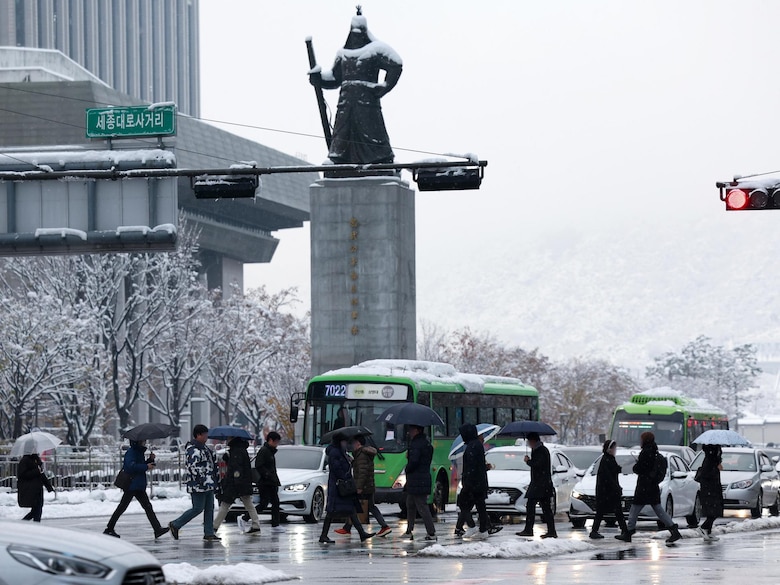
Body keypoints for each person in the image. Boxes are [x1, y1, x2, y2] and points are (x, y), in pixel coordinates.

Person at [310, 9, 402, 165]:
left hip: (366, 102)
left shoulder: (375, 50)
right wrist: (318, 78)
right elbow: (334, 78)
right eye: (354, 32)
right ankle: (339, 160)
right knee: (342, 134)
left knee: (372, 132)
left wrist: (385, 86)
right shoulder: (343, 53)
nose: (357, 35)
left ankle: (380, 160)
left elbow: (396, 64)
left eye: (360, 32)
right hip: (345, 103)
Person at [615, 431, 681, 544]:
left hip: (644, 486)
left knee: (634, 510)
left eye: (641, 439)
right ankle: (673, 530)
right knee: (659, 510)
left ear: (645, 440)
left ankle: (628, 532)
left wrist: (636, 466)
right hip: (652, 486)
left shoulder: (645, 453)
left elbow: (640, 468)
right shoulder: (655, 452)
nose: (640, 441)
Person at [103, 440, 168, 539]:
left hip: (138, 485)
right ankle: (109, 528)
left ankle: (157, 529)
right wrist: (146, 466)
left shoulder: (139, 452)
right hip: (132, 485)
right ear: (137, 442)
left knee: (147, 507)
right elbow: (131, 466)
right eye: (143, 441)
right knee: (123, 507)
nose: (145, 442)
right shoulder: (131, 452)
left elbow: (139, 465)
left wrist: (150, 460)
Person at [319, 432, 375, 544]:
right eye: (344, 441)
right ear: (340, 442)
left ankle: (361, 533)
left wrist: (349, 460)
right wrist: (345, 475)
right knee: (332, 511)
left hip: (342, 485)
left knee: (350, 509)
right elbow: (336, 468)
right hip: (339, 486)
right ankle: (323, 535)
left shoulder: (340, 452)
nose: (346, 444)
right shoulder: (335, 452)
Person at [168, 424, 220, 542]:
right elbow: (193, 467)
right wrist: (202, 479)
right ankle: (176, 524)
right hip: (198, 485)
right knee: (197, 508)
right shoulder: (193, 450)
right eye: (205, 434)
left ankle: (209, 532)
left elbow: (211, 464)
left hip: (208, 483)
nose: (207, 437)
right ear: (198, 435)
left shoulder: (204, 448)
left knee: (209, 508)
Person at [334, 434, 392, 537]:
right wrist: (352, 461)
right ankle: (347, 527)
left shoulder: (362, 455)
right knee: (368, 507)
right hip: (368, 485)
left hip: (365, 487)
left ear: (358, 443)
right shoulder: (362, 454)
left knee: (357, 506)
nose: (352, 445)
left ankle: (384, 526)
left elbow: (362, 472)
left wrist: (359, 487)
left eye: (354, 443)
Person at [212, 435, 262, 535]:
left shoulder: (236, 451)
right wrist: (228, 459)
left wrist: (235, 483)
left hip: (235, 484)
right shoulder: (239, 450)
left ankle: (214, 527)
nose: (227, 440)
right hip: (242, 483)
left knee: (225, 505)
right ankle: (256, 525)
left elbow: (237, 469)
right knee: (248, 504)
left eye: (228, 438)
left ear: (233, 439)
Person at [515, 432, 557, 538]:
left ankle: (535, 530)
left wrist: (528, 461)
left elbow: (538, 465)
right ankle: (546, 530)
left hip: (541, 484)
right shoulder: (537, 450)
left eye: (529, 442)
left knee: (539, 507)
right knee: (543, 508)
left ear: (533, 441)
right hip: (540, 484)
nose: (529, 444)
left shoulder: (541, 450)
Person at [242, 431, 285, 532]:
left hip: (271, 481)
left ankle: (275, 524)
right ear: (270, 440)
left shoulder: (270, 451)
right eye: (276, 442)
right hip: (265, 482)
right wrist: (267, 475)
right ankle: (245, 517)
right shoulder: (264, 451)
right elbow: (259, 465)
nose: (277, 444)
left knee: (275, 503)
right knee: (264, 504)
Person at [456, 424, 493, 539]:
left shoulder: (472, 446)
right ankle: (483, 530)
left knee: (463, 504)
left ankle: (472, 526)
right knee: (480, 506)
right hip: (479, 482)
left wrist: (467, 483)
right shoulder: (477, 445)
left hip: (473, 483)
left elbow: (471, 467)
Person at [402, 425, 437, 541]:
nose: (409, 432)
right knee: (410, 504)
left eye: (411, 430)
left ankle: (431, 533)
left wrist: (408, 467)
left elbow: (414, 461)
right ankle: (409, 530)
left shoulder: (416, 444)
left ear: (417, 430)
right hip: (421, 478)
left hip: (417, 479)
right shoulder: (426, 444)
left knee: (421, 506)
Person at [589, 439, 628, 539]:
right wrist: (616, 488)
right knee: (614, 511)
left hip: (607, 491)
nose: (615, 450)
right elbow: (608, 477)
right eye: (614, 448)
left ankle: (624, 531)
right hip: (607, 491)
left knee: (606, 511)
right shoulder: (606, 460)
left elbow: (612, 472)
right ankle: (624, 531)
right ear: (609, 449)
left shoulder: (609, 459)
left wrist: (618, 469)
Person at [695, 444, 723, 541]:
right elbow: (707, 475)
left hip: (712, 489)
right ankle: (703, 528)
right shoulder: (710, 460)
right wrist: (716, 468)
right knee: (713, 511)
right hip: (710, 490)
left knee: (715, 510)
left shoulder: (712, 459)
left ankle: (708, 531)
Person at [17, 451, 53, 522]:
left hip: (37, 489)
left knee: (37, 510)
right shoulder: (25, 460)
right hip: (30, 489)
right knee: (36, 510)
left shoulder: (36, 459)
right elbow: (22, 474)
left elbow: (41, 474)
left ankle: (29, 525)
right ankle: (26, 524)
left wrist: (48, 486)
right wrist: (36, 470)